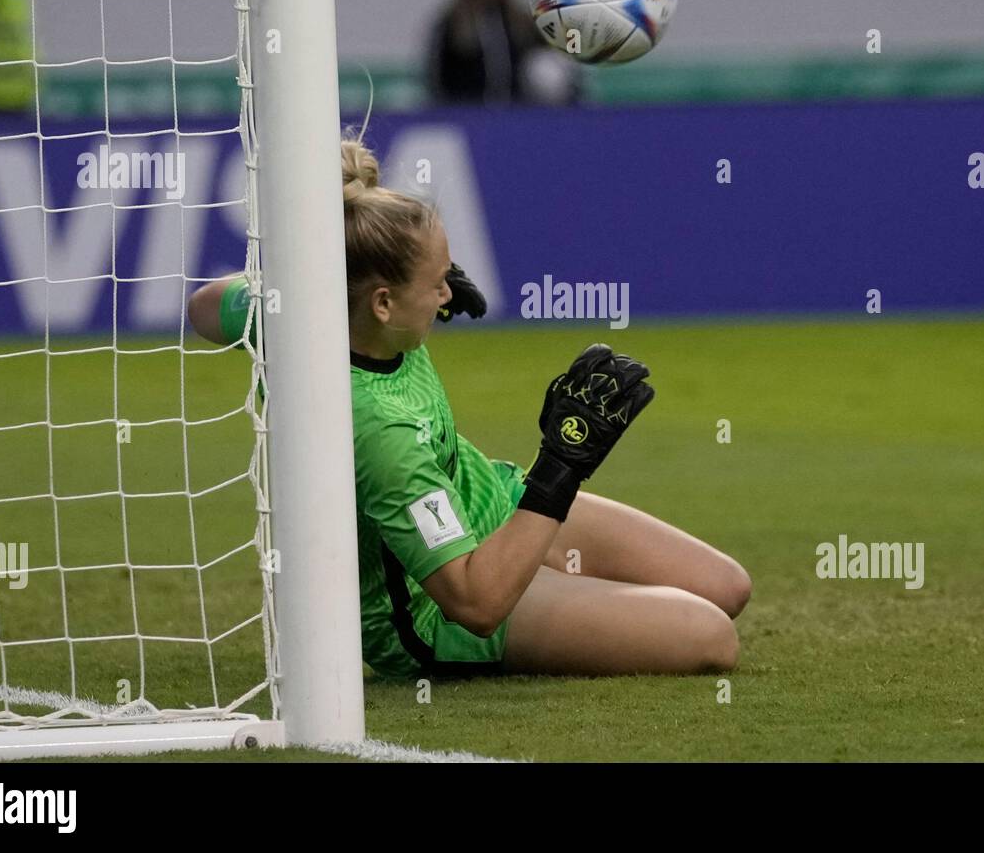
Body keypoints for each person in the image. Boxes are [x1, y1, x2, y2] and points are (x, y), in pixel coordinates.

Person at [188, 137, 750, 678]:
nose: (449, 295)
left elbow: (203, 308)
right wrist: (560, 468)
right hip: (439, 604)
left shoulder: (306, 311)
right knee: (709, 636)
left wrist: (279, 291)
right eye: (437, 283)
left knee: (727, 586)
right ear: (382, 303)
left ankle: (558, 578)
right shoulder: (378, 431)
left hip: (488, 503)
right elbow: (476, 603)